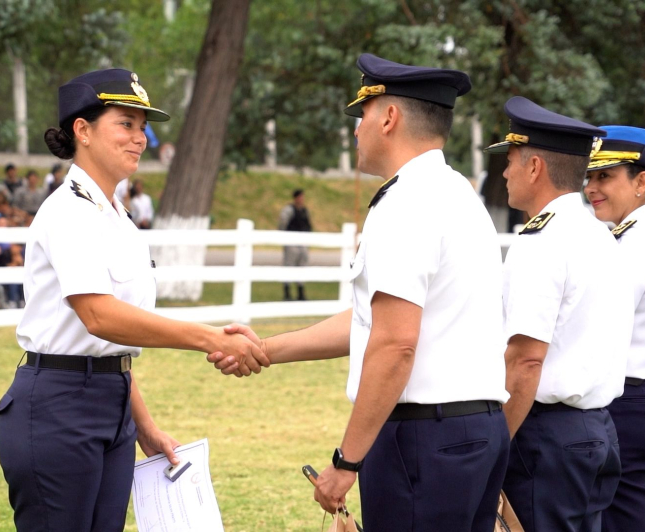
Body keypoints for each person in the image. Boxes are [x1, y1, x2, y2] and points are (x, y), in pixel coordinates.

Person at [210, 54, 510, 531]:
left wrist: (346, 462)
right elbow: (371, 322)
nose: (356, 130)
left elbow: (394, 345)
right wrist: (264, 349)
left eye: (362, 115)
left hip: (422, 441)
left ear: (388, 117)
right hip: (476, 432)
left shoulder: (405, 204)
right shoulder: (458, 195)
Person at [0, 68, 268, 532]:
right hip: (58, 406)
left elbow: (116, 344)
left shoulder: (118, 217)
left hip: (111, 402)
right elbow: (99, 317)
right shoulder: (69, 211)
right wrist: (207, 338)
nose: (140, 137)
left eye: (143, 127)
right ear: (82, 130)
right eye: (125, 123)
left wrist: (142, 424)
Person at [485, 97, 632, 532]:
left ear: (535, 167)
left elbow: (527, 359)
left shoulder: (541, 242)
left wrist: (497, 447)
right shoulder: (600, 235)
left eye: (510, 161)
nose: (505, 172)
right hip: (596, 429)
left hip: (545, 438)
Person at [582, 126, 645, 532]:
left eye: (605, 176)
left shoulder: (631, 242)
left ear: (642, 181)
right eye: (589, 177)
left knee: (622, 515)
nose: (592, 187)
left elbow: (598, 329)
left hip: (628, 403)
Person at [278, 188, 311, 300]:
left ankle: (300, 292)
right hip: (291, 243)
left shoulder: (304, 211)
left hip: (302, 243)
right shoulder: (289, 210)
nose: (302, 199)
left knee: (302, 266)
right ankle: (287, 292)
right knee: (289, 265)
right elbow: (283, 223)